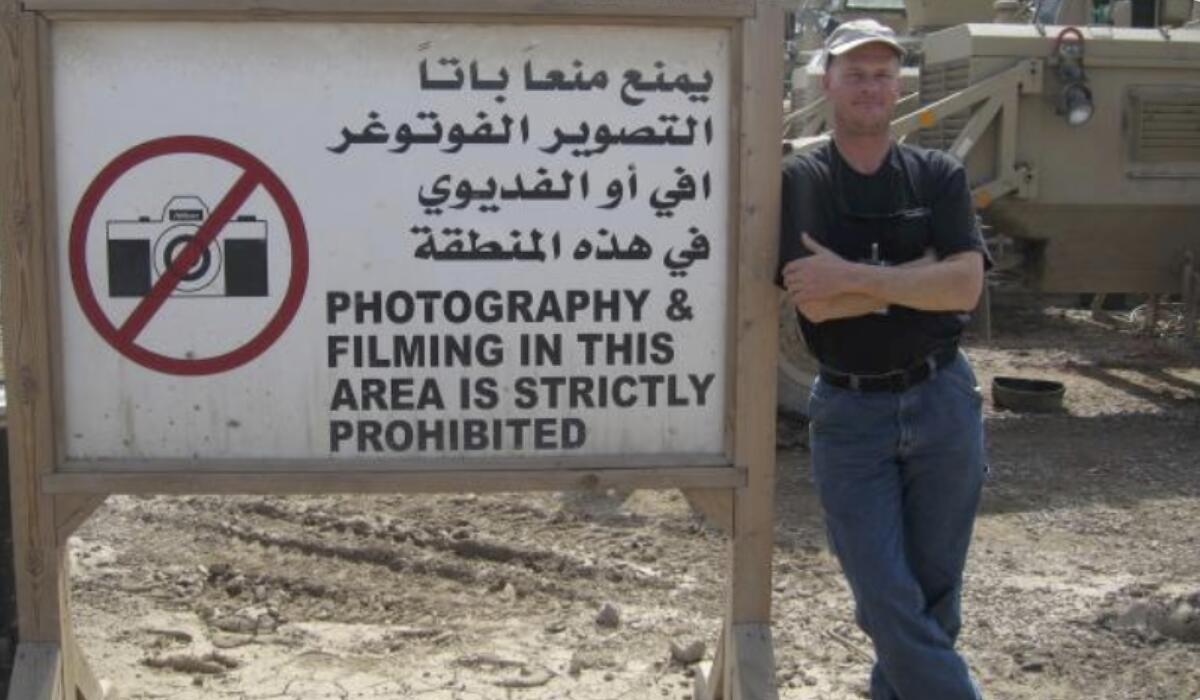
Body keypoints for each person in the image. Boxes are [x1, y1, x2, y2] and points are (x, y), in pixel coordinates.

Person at [778, 19, 990, 700]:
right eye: (855, 73)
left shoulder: (938, 174)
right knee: (884, 596)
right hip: (850, 412)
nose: (870, 86)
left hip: (942, 400)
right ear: (827, 83)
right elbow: (813, 300)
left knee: (934, 594)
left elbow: (964, 288)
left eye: (881, 73)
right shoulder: (803, 178)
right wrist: (914, 279)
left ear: (898, 85)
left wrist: (858, 278)